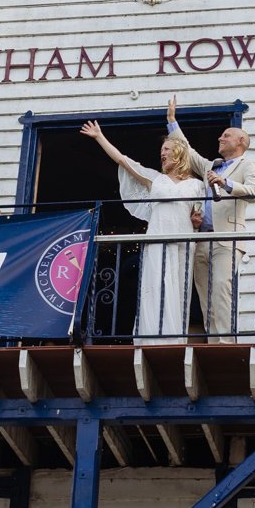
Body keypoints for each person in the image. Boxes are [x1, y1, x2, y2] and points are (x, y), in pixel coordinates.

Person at [79, 120, 205, 345]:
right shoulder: (156, 180)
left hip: (183, 243)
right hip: (157, 240)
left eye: (166, 149)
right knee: (156, 285)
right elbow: (123, 160)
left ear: (178, 153)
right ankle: (151, 338)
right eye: (161, 151)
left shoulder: (196, 185)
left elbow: (197, 217)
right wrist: (99, 136)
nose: (162, 154)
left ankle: (175, 337)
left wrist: (196, 220)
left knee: (178, 288)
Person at [166, 96, 255, 344]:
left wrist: (225, 183)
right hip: (202, 237)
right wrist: (172, 122)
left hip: (227, 239)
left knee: (221, 289)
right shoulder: (211, 165)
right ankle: (213, 343)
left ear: (241, 141)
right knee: (205, 295)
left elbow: (254, 192)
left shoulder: (246, 164)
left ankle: (227, 345)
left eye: (226, 135)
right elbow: (187, 150)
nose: (220, 138)